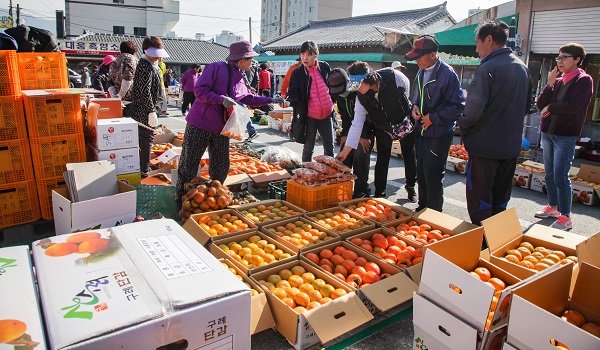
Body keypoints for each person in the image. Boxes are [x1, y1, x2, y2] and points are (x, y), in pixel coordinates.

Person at [175, 41, 284, 208]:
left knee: (221, 166)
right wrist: (220, 99)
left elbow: (247, 98)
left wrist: (270, 99)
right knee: (189, 164)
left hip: (222, 128)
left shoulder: (240, 75)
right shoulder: (216, 67)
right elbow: (200, 90)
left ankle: (213, 200)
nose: (252, 62)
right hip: (200, 124)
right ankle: (182, 201)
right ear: (241, 59)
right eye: (250, 59)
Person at [459, 20, 532, 226]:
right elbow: (528, 105)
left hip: (485, 148)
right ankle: (496, 241)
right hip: (510, 147)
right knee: (501, 197)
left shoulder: (487, 68)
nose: (476, 49)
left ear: (489, 40)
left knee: (481, 198)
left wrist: (463, 126)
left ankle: (481, 243)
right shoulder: (522, 67)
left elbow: (473, 111)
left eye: (477, 43)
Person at [534, 43, 594, 230]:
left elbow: (575, 106)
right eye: (558, 58)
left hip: (565, 135)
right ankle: (553, 206)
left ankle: (566, 217)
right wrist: (549, 85)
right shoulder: (558, 81)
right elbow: (540, 104)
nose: (559, 61)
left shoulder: (584, 80)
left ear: (577, 60)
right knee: (550, 173)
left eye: (564, 57)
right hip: (548, 132)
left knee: (561, 175)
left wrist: (551, 107)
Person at [336, 61, 412, 199]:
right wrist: (345, 152)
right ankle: (380, 194)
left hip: (401, 121)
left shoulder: (394, 77)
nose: (357, 89)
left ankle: (411, 185)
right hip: (382, 125)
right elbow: (357, 123)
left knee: (409, 154)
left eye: (359, 85)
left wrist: (403, 116)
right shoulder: (361, 96)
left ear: (368, 79)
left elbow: (406, 93)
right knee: (382, 159)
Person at [406, 34, 465, 212]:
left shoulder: (448, 74)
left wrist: (433, 118)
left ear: (432, 55)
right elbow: (416, 95)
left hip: (439, 133)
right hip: (421, 131)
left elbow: (458, 106)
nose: (416, 60)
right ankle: (422, 207)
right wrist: (414, 106)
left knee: (433, 175)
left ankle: (434, 214)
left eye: (419, 56)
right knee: (422, 172)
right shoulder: (421, 71)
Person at [281, 40, 335, 162]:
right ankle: (305, 173)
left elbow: (332, 87)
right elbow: (295, 94)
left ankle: (330, 173)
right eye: (302, 54)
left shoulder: (324, 67)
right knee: (308, 147)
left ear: (316, 55)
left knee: (329, 147)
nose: (305, 58)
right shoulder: (298, 73)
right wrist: (289, 102)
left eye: (309, 54)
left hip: (327, 114)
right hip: (310, 115)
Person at [124, 36, 168, 177]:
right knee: (146, 138)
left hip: (148, 109)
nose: (157, 57)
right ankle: (144, 170)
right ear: (146, 50)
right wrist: (150, 110)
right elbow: (144, 90)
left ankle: (143, 166)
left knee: (145, 138)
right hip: (143, 110)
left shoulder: (151, 64)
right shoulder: (144, 65)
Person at [327, 67, 371, 198]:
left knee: (360, 155)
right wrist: (344, 135)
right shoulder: (339, 97)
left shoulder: (358, 92)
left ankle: (361, 190)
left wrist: (363, 136)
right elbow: (345, 117)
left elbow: (368, 117)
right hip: (350, 130)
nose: (338, 93)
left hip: (365, 130)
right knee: (344, 156)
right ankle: (343, 188)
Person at [392, 60, 417, 202]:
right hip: (388, 123)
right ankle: (380, 190)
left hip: (404, 122)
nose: (399, 70)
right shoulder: (386, 83)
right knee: (383, 156)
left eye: (400, 68)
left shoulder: (404, 80)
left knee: (409, 155)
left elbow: (408, 102)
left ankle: (411, 186)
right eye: (397, 68)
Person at [108, 40, 138, 105]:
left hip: (117, 98)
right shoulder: (131, 58)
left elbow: (110, 82)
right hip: (130, 97)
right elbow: (128, 78)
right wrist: (121, 94)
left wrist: (115, 96)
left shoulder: (115, 61)